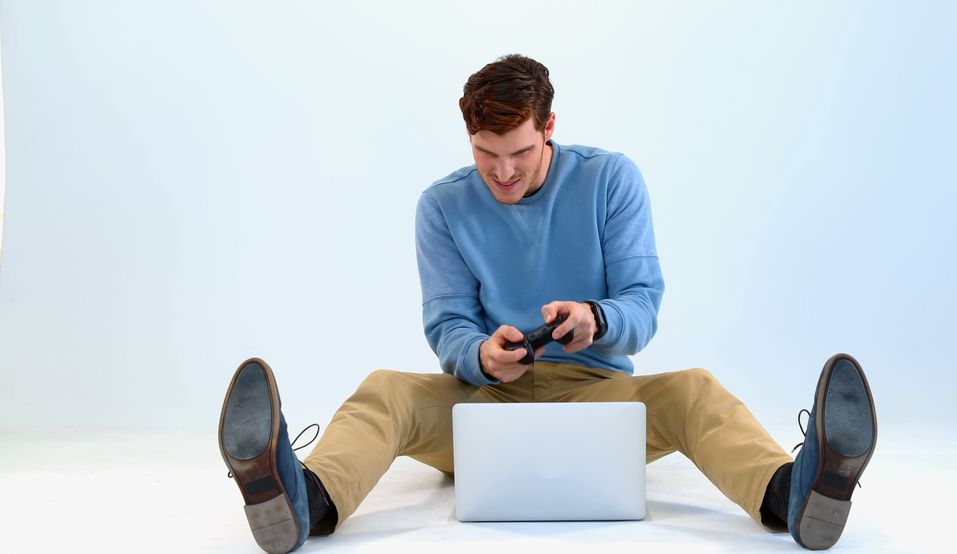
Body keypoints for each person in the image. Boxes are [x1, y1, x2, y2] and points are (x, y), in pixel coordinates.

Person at [217, 54, 877, 553]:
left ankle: (799, 494)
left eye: (522, 154)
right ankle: (300, 501)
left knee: (695, 391)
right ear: (467, 136)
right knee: (383, 390)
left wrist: (598, 319)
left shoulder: (609, 179)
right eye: (486, 155)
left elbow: (642, 306)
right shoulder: (441, 205)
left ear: (550, 127)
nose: (503, 173)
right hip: (485, 403)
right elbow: (446, 320)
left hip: (598, 400)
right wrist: (478, 352)